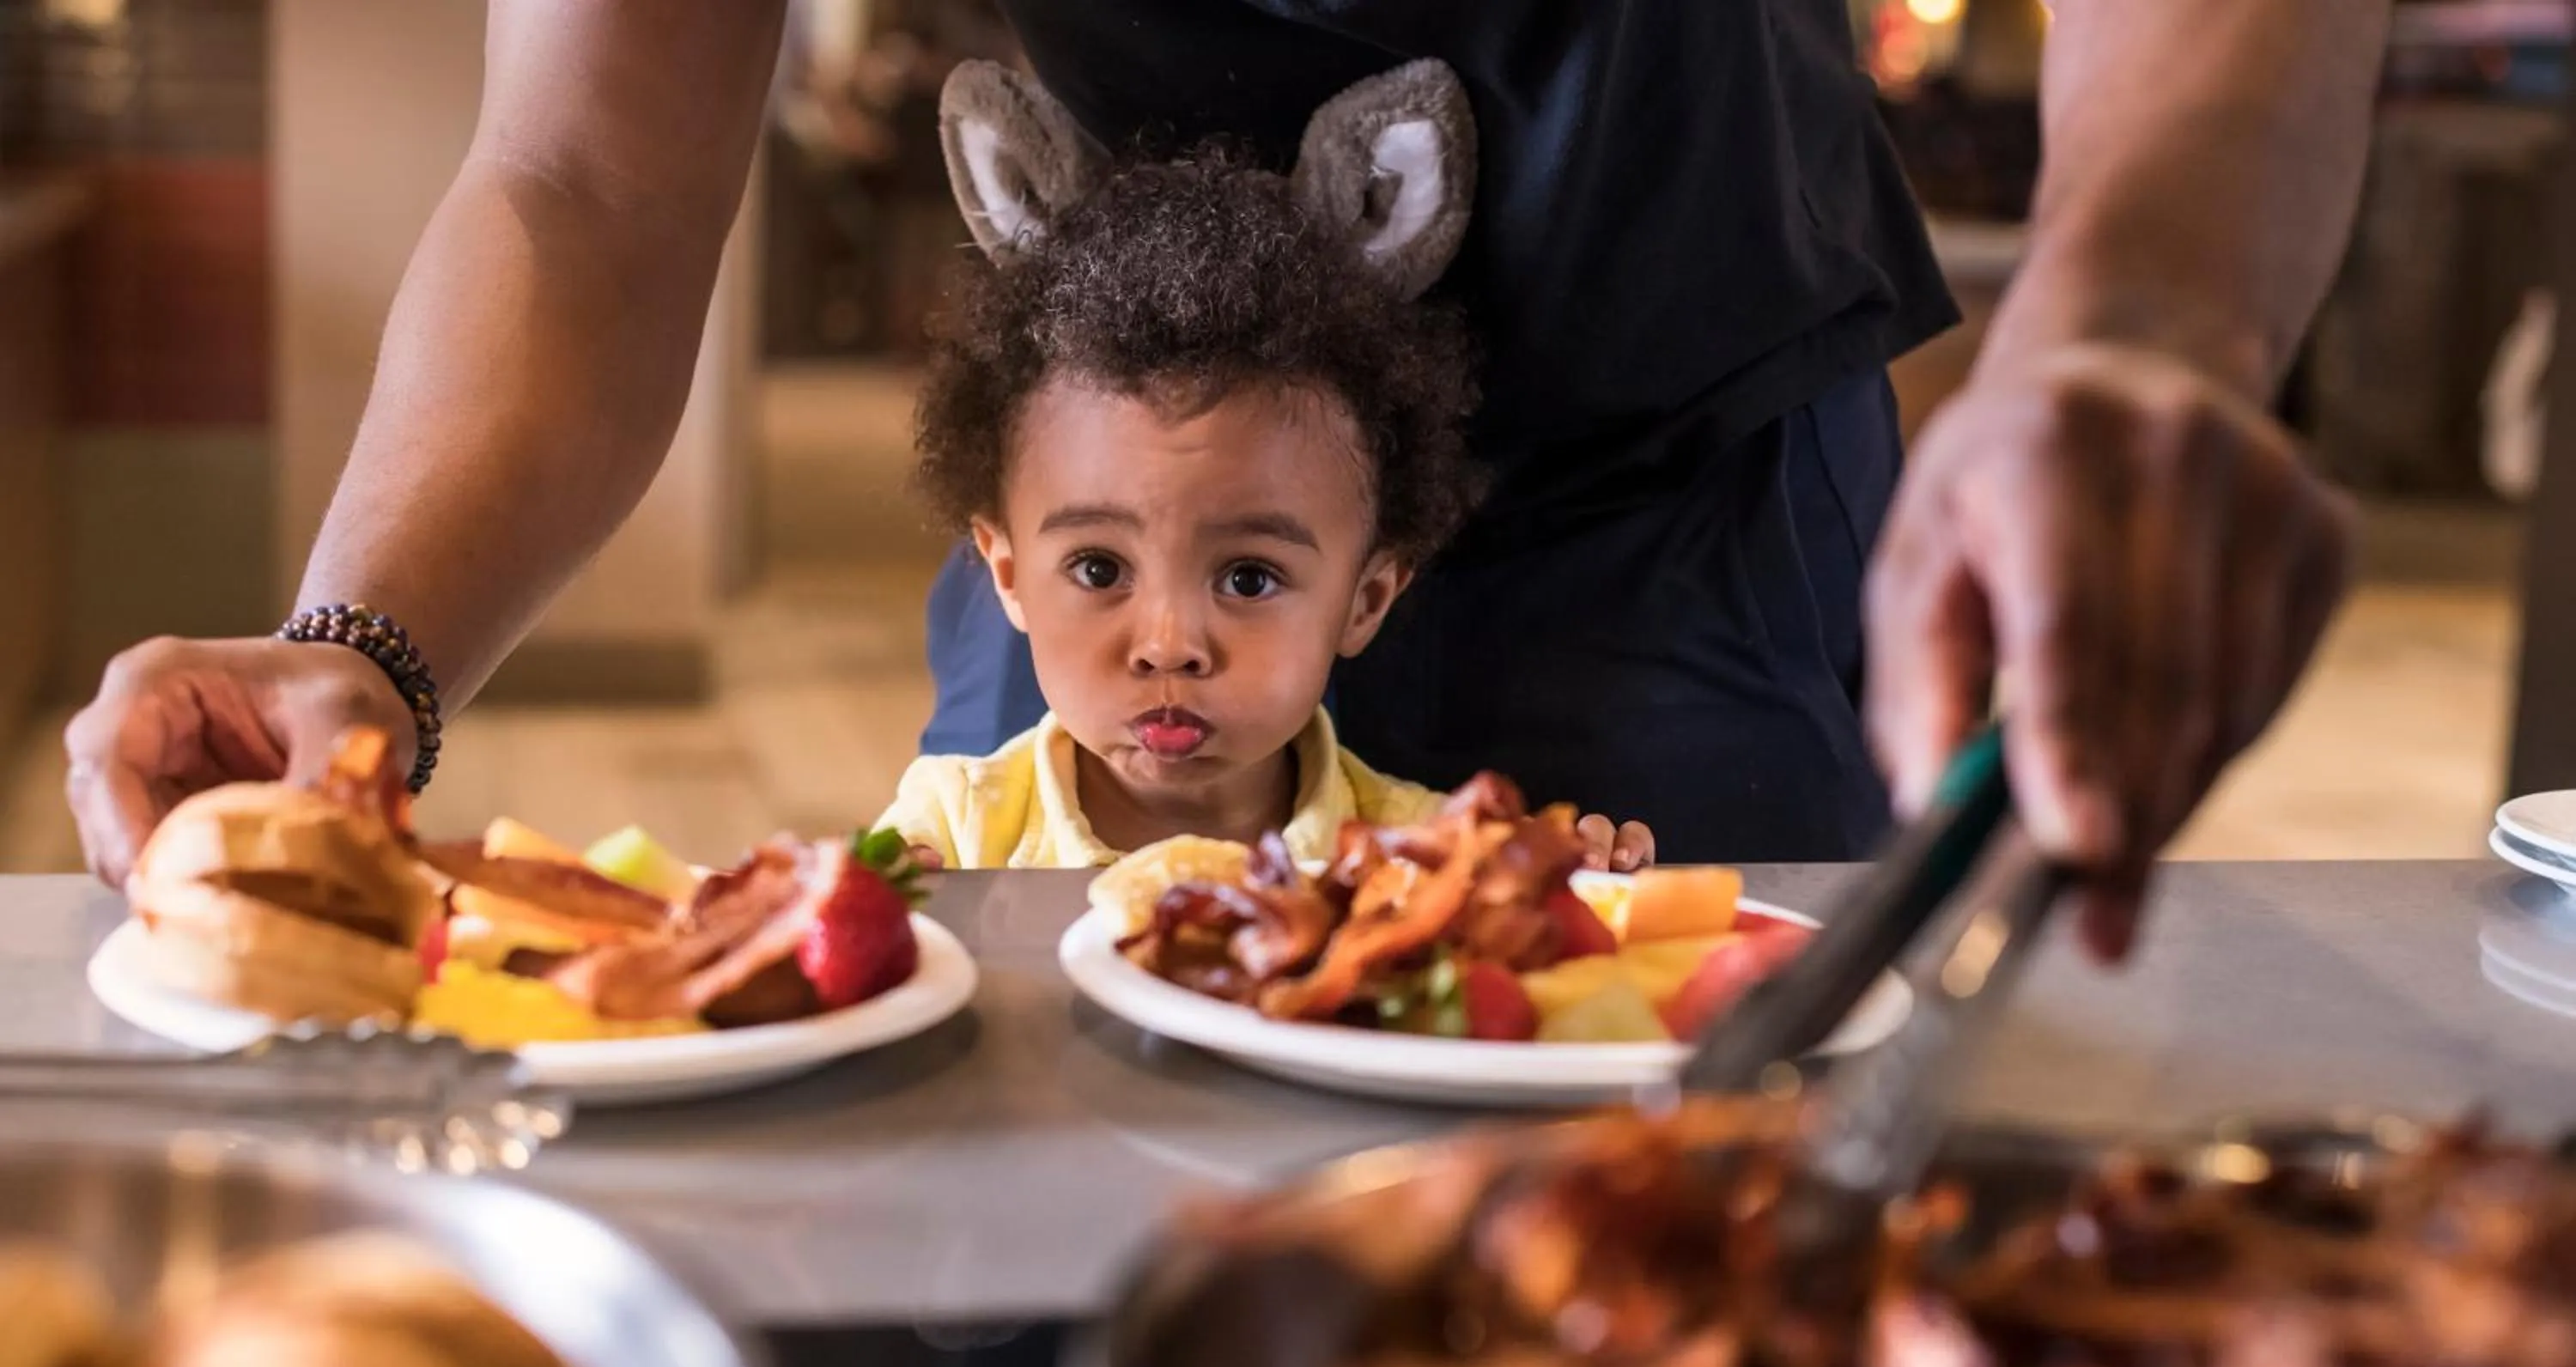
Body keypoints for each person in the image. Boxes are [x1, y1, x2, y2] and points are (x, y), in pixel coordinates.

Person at [64, 0, 2385, 963]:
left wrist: (2140, 324)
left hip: (1692, 520)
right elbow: (582, 178)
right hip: (1135, 476)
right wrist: (359, 646)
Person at [876, 72, 1650, 872]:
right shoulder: (952, 829)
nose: (1170, 645)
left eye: (1249, 578)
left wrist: (1573, 891)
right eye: (1099, 568)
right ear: (1007, 574)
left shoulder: (1425, 857)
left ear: (1366, 599)